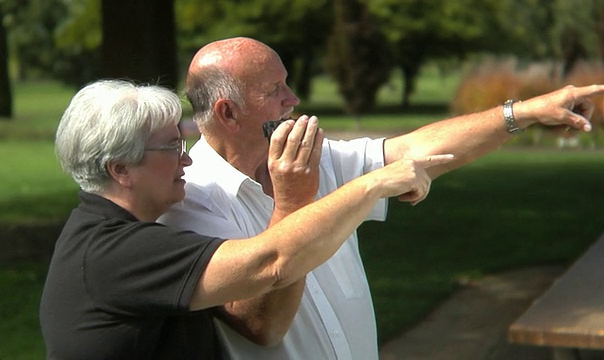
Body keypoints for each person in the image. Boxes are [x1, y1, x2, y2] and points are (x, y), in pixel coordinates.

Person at [157, 36, 604, 360]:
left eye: (287, 84)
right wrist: (294, 204)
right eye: (274, 91)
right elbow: (261, 326)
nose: (293, 99)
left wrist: (525, 112)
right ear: (228, 113)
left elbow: (414, 150)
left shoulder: (316, 160)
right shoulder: (188, 203)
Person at [39, 79, 452, 360]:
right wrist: (371, 185)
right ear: (120, 170)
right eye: (170, 148)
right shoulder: (116, 252)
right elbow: (271, 264)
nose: (186, 158)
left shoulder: (113, 236)